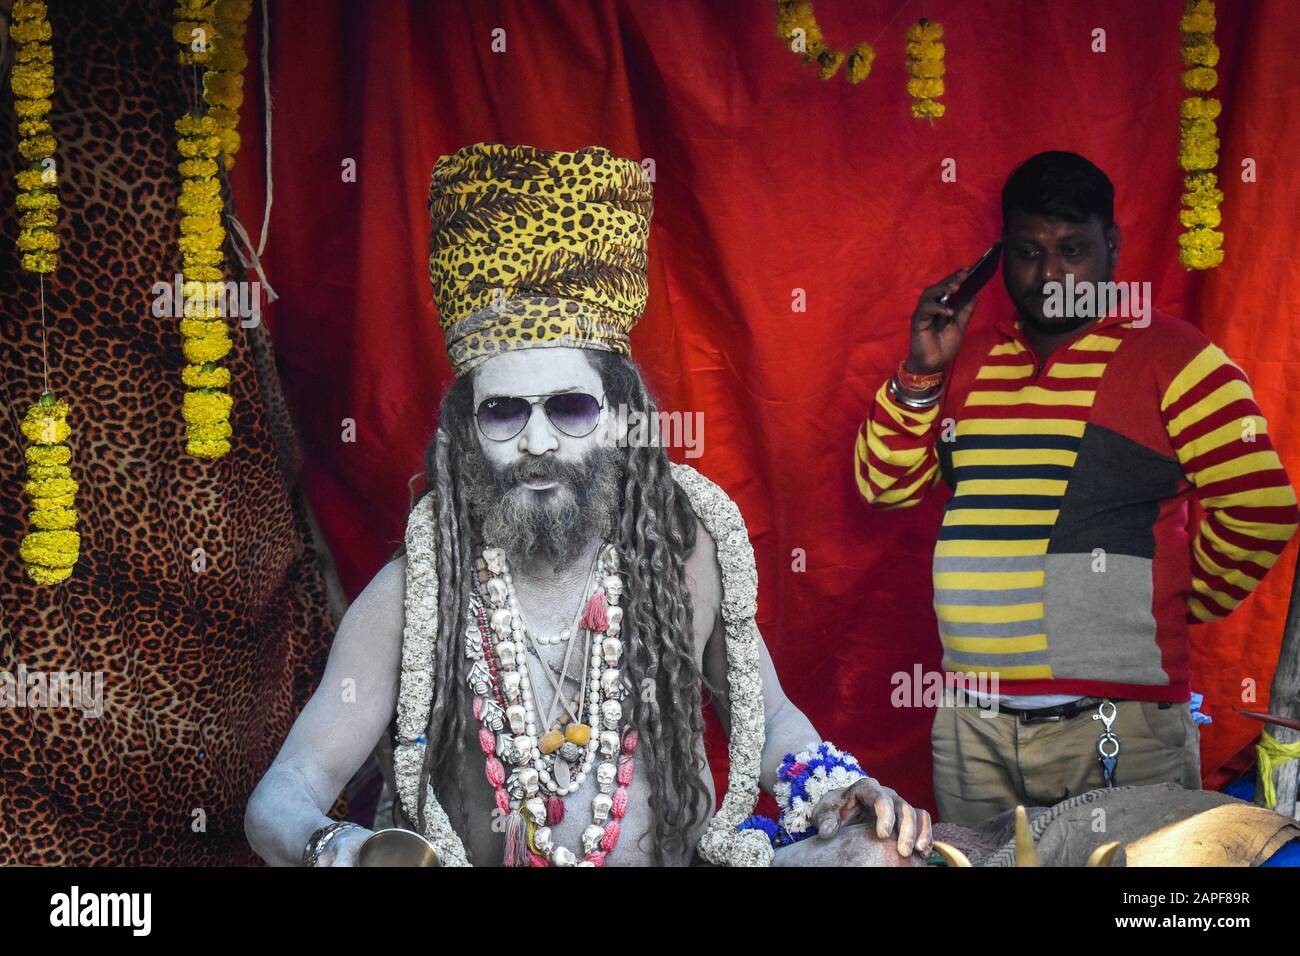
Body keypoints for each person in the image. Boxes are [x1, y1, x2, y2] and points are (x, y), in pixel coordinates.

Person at [246, 142, 933, 866]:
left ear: (618, 418)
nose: (537, 441)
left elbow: (772, 722)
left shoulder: (681, 563)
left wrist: (840, 788)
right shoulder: (418, 594)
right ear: (467, 435)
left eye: (570, 408)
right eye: (504, 413)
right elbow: (283, 793)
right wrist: (343, 850)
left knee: (876, 854)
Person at [854, 150, 1298, 826]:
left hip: (1121, 726)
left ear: (1111, 244)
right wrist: (920, 374)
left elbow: (1262, 508)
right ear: (1001, 255)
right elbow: (884, 486)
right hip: (973, 728)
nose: (1050, 274)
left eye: (1072, 249)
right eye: (1029, 252)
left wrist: (1170, 602)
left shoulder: (1175, 357)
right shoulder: (965, 359)